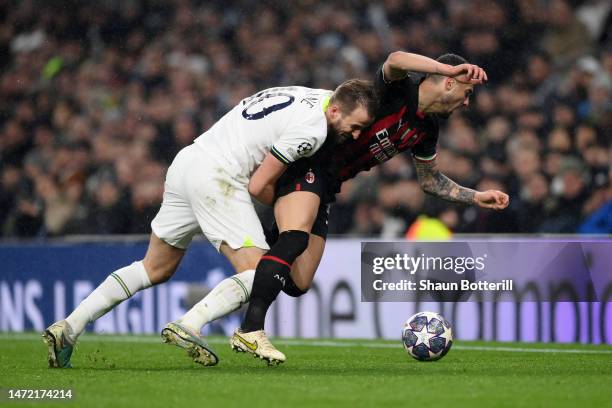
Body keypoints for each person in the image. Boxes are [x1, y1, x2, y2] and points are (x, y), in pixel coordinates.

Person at [42, 80, 377, 368]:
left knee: (154, 268)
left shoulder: (317, 96)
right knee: (261, 270)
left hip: (188, 162)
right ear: (335, 112)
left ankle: (68, 328)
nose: (357, 134)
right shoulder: (314, 129)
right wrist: (289, 210)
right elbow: (258, 186)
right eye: (356, 126)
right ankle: (191, 323)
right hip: (218, 175)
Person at [225, 51, 510, 364]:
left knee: (299, 281)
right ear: (448, 83)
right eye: (467, 93)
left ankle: (252, 262)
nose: (467, 102)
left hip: (328, 185)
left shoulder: (427, 129)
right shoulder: (398, 90)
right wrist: (449, 67)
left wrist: (474, 196)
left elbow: (430, 182)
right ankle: (250, 328)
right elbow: (395, 58)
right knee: (294, 239)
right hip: (311, 163)